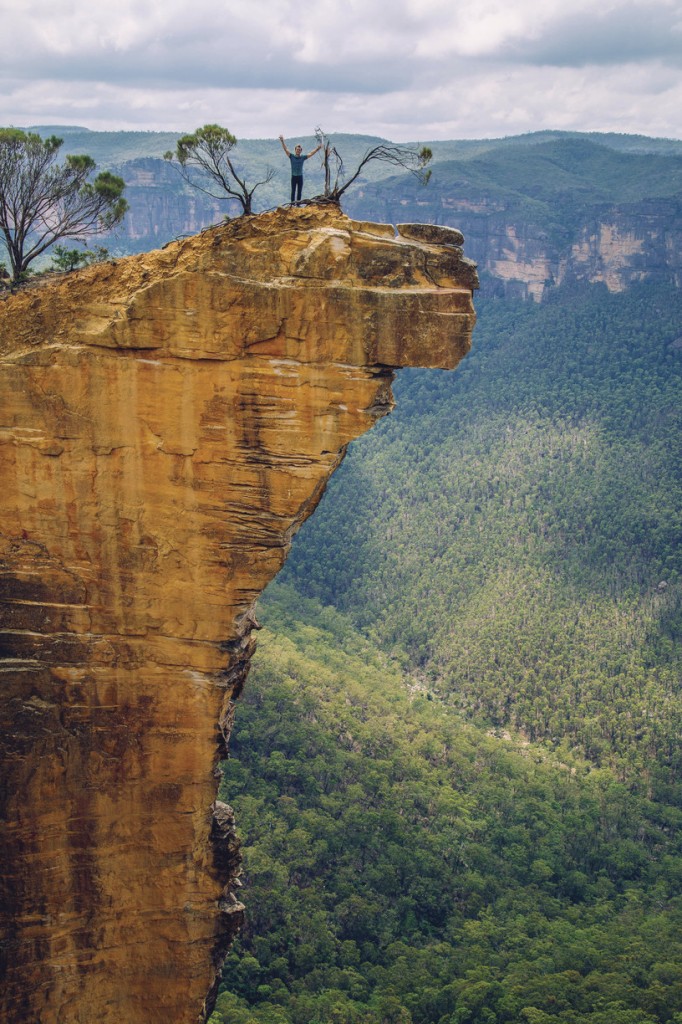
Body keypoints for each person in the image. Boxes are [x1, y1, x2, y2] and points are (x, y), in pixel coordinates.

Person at [279, 136, 322, 204]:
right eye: (297, 149)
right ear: (295, 150)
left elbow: (310, 153)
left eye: (299, 150)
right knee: (293, 191)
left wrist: (317, 149)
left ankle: (298, 204)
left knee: (299, 191)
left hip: (300, 176)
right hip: (293, 176)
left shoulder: (302, 157)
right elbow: (285, 149)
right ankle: (292, 204)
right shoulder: (291, 156)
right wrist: (282, 141)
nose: (298, 151)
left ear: (301, 151)